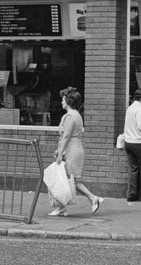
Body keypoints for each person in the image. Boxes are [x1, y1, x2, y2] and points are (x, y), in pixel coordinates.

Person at [48, 87, 103, 216]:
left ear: (68, 101)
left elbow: (66, 136)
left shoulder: (69, 116)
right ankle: (63, 207)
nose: (61, 102)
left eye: (63, 99)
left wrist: (60, 153)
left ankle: (89, 198)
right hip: (75, 146)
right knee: (67, 178)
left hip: (71, 149)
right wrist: (59, 150)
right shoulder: (76, 115)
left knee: (66, 178)